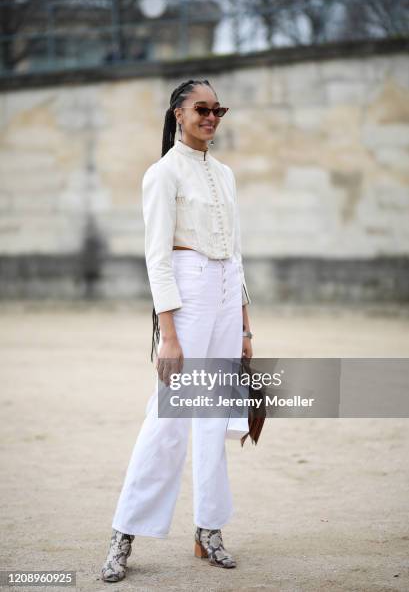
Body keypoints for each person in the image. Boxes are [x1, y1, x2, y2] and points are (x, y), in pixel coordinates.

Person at [101, 78, 253, 583]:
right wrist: (168, 332)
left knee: (213, 415)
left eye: (219, 109)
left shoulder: (226, 174)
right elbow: (157, 256)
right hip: (187, 293)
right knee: (167, 416)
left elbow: (235, 251)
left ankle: (209, 529)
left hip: (227, 294)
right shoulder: (162, 173)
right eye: (202, 109)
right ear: (178, 113)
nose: (212, 117)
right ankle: (124, 533)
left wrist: (246, 325)